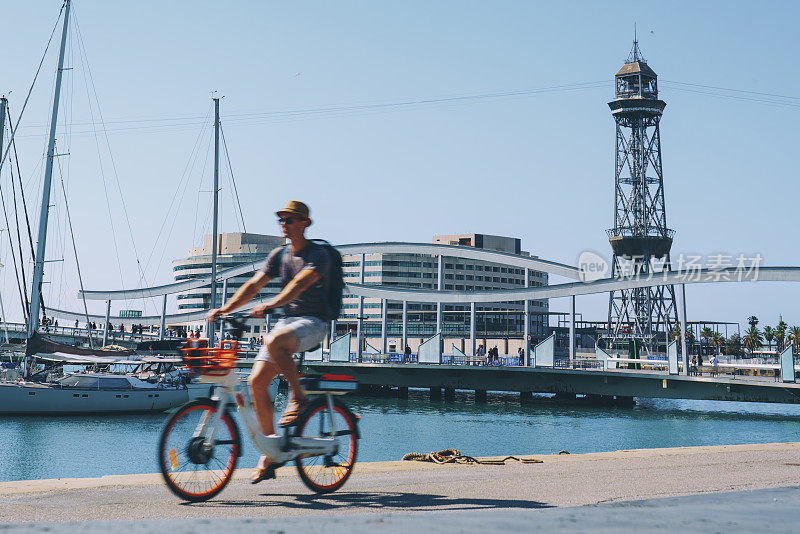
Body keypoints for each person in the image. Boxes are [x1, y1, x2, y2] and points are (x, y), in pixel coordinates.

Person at [207, 200, 333, 485]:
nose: (284, 224)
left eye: (290, 219)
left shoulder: (318, 254)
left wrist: (270, 304)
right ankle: (272, 449)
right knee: (255, 383)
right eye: (282, 220)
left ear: (304, 224)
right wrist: (225, 308)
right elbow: (253, 285)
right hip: (287, 324)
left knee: (274, 339)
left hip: (314, 322)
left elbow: (298, 285)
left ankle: (298, 397)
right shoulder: (279, 255)